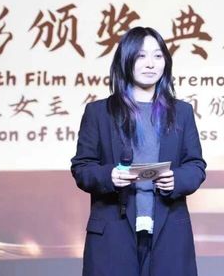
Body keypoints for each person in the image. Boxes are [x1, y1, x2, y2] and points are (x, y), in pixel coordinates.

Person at [71, 26, 206, 276]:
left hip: (169, 234)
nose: (150, 63)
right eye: (141, 55)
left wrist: (176, 179)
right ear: (126, 59)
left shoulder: (182, 112)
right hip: (113, 235)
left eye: (157, 55)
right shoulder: (99, 112)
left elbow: (196, 166)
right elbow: (82, 168)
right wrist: (109, 176)